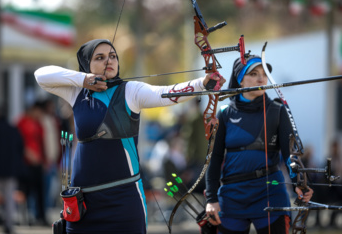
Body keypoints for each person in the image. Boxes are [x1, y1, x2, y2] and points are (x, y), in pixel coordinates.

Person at [34, 38, 226, 234]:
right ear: (87, 64)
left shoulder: (130, 91)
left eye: (113, 56)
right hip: (84, 202)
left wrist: (202, 83)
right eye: (99, 57)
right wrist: (84, 80)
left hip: (124, 200)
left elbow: (167, 93)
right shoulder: (77, 93)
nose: (108, 61)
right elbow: (41, 75)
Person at [205, 55, 314, 234]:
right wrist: (211, 199)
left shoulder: (277, 111)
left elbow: (290, 155)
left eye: (264, 73)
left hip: (270, 191)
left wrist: (300, 183)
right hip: (232, 196)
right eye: (254, 74)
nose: (261, 78)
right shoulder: (224, 113)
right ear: (240, 80)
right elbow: (214, 158)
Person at [0, 106, 24, 234]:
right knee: (9, 198)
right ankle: (8, 225)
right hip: (9, 170)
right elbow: (20, 149)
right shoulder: (13, 130)